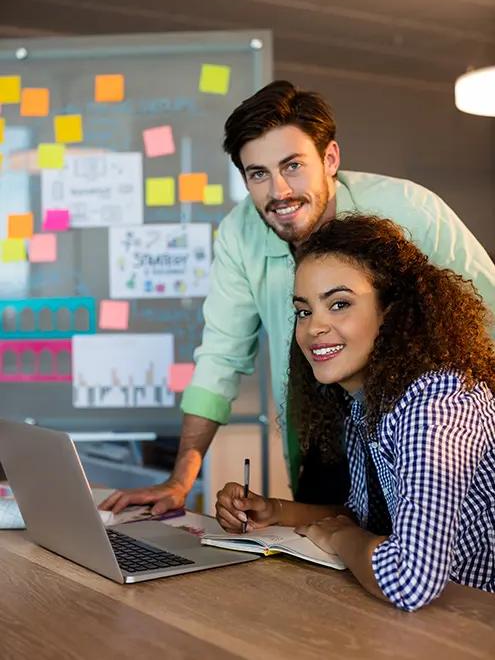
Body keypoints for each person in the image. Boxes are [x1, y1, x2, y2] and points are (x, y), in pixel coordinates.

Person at [100, 80, 495, 516]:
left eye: (292, 166)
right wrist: (180, 481)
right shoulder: (239, 233)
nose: (279, 192)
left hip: (425, 425)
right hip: (325, 424)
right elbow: (220, 356)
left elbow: (486, 319)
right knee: (317, 551)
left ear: (329, 159)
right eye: (258, 174)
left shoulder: (409, 209)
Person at [215, 214, 495, 611]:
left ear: (392, 312)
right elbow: (368, 520)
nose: (314, 328)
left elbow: (409, 580)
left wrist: (340, 539)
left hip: (473, 627)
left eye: (339, 304)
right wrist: (276, 512)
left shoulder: (436, 406)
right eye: (304, 311)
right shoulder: (369, 400)